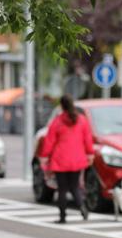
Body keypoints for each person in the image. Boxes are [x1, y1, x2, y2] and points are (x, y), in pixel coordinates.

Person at [39, 95, 94, 224]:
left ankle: (62, 217)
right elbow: (88, 139)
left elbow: (49, 141)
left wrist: (44, 156)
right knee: (75, 187)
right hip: (77, 159)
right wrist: (90, 153)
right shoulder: (82, 120)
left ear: (62, 106)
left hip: (60, 160)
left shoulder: (57, 121)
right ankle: (82, 207)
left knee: (62, 189)